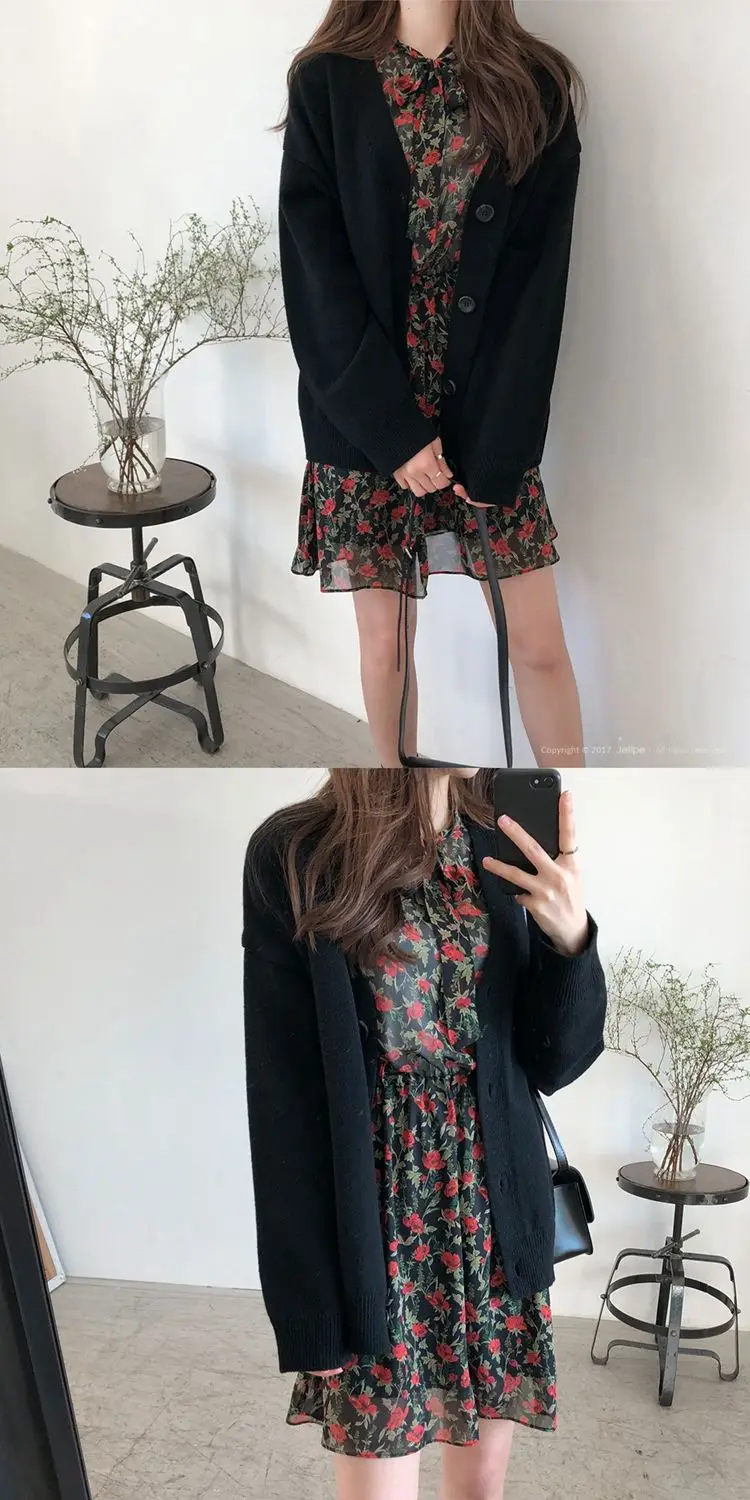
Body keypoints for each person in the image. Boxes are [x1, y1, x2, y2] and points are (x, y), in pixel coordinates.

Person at [243, 769, 606, 1500]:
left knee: (481, 1488)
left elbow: (556, 1063)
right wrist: (310, 1309)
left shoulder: (499, 836)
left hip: (494, 1222)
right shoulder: (298, 849)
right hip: (373, 1236)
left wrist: (571, 938)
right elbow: (282, 1095)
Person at [279, 1, 586, 767]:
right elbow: (316, 276)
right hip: (363, 419)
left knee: (537, 645)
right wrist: (393, 432)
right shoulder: (326, 80)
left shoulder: (534, 83)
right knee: (387, 651)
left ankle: (574, 812)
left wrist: (498, 445)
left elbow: (537, 288)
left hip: (488, 418)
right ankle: (394, 811)